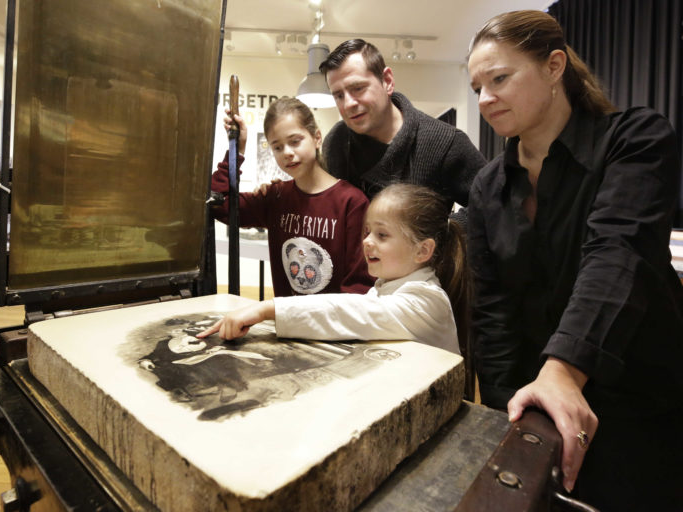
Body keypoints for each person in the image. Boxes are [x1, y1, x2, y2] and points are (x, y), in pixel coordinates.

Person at [466, 10, 683, 511]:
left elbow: (617, 254)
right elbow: (494, 312)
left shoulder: (636, 140)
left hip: (641, 402)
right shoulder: (488, 187)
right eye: (477, 85)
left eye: (499, 79)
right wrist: (504, 417)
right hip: (538, 407)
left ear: (554, 66)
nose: (484, 99)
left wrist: (563, 372)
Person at [198, 184, 473, 362]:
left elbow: (351, 311)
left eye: (382, 234)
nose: (366, 242)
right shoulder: (386, 286)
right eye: (367, 233)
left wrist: (267, 309)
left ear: (422, 251)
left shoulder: (426, 300)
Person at [212, 96, 373, 297]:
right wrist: (237, 149)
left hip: (333, 326)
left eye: (295, 141)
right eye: (277, 147)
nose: (287, 153)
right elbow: (219, 204)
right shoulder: (276, 196)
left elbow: (358, 287)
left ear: (316, 138)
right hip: (287, 325)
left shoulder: (351, 203)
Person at [318, 39, 486, 208]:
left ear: (387, 81)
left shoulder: (446, 142)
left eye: (358, 88)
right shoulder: (335, 141)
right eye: (339, 96)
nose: (348, 104)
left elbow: (490, 204)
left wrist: (445, 233)